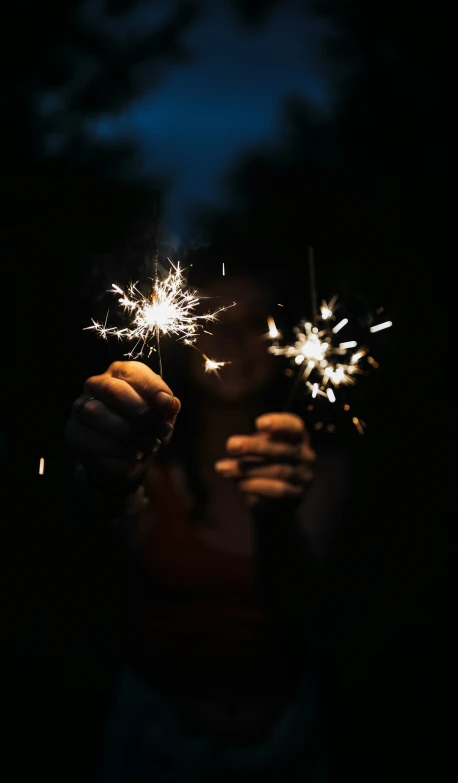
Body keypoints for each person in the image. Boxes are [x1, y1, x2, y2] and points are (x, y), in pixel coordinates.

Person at [64, 275, 352, 782]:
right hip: (154, 738)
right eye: (217, 321)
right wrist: (109, 476)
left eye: (253, 322)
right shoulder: (150, 461)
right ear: (187, 337)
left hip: (288, 742)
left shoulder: (319, 467)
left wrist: (277, 518)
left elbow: (312, 612)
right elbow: (95, 552)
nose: (234, 340)